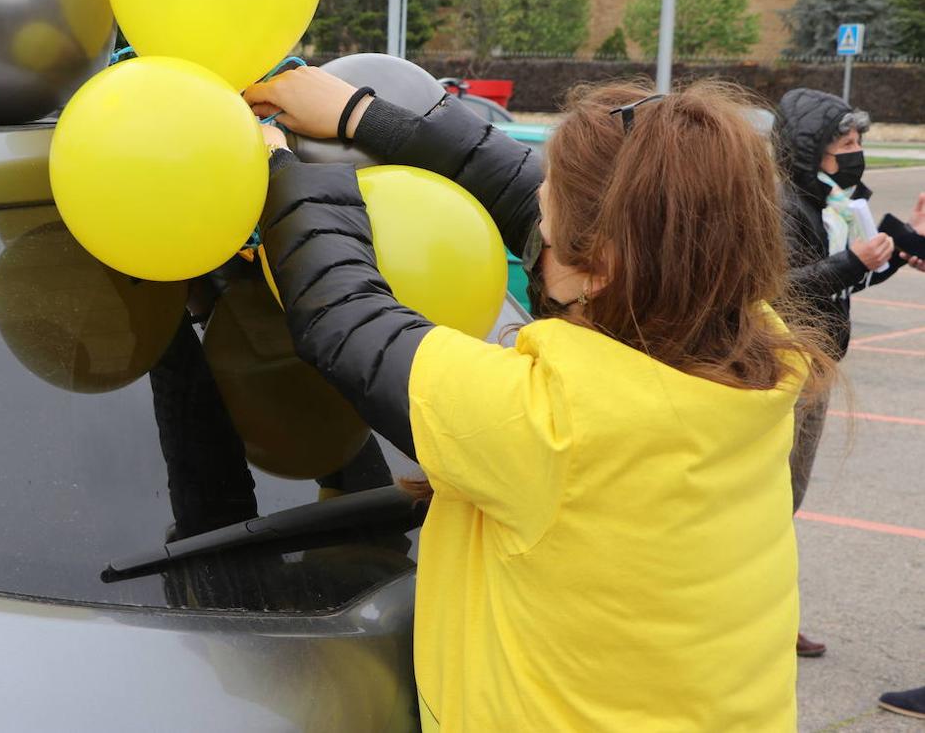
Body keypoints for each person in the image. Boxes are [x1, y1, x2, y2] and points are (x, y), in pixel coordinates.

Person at [241, 69, 835, 731]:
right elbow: (556, 198)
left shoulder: (556, 424)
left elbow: (347, 321)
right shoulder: (749, 346)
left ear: (602, 263)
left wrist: (283, 168)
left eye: (548, 227)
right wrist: (358, 116)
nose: (537, 229)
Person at [771, 88, 925, 658]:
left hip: (815, 369)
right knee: (767, 503)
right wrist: (848, 262)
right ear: (811, 149)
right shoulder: (783, 206)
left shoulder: (829, 201)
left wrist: (901, 243)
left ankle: (773, 615)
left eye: (859, 141)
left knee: (786, 499)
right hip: (782, 372)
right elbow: (777, 292)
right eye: (847, 144)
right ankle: (760, 620)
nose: (857, 153)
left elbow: (843, 281)